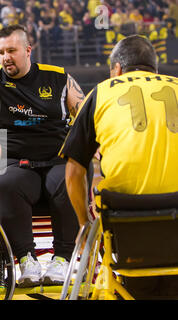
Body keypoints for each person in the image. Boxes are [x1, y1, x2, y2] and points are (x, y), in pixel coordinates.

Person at [0, 10, 88, 287]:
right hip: (16, 163)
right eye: (1, 52)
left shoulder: (58, 78)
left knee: (70, 179)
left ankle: (63, 259)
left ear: (27, 50)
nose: (5, 57)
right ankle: (26, 260)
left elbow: (84, 119)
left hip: (57, 160)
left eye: (11, 50)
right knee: (7, 182)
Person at [60, 35, 178, 299]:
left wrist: (83, 223)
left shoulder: (102, 91)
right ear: (155, 70)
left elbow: (74, 171)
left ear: (117, 70)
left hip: (128, 224)